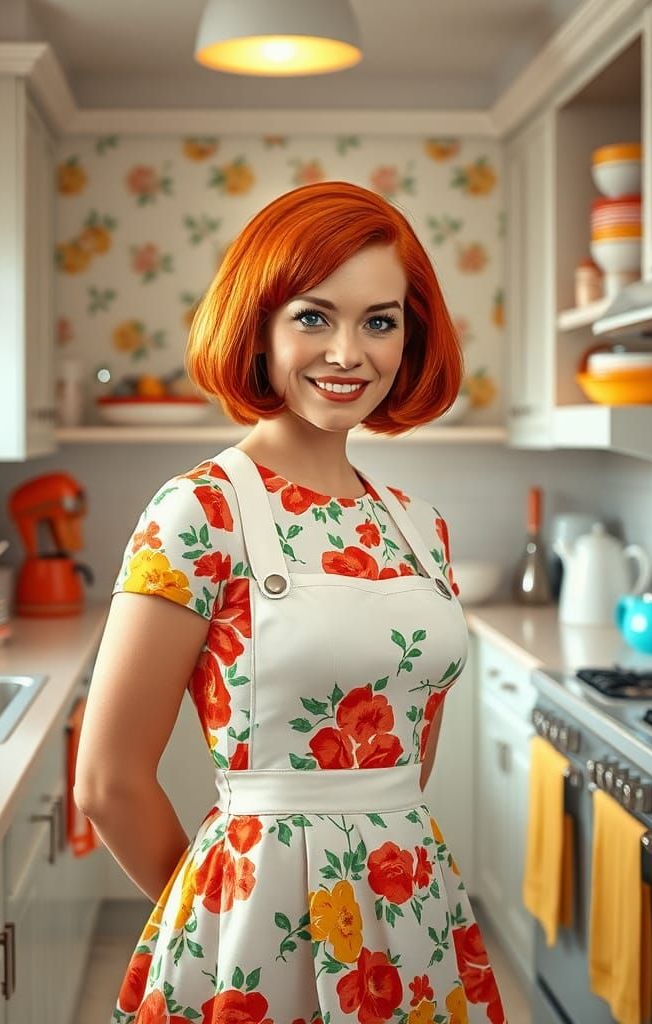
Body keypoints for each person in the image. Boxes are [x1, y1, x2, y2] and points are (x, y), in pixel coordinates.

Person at [74, 180, 506, 1024]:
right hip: (253, 939)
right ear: (259, 327)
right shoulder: (199, 513)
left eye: (379, 321)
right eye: (313, 317)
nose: (348, 353)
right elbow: (105, 783)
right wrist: (220, 922)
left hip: (416, 920)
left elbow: (407, 761)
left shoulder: (420, 528)